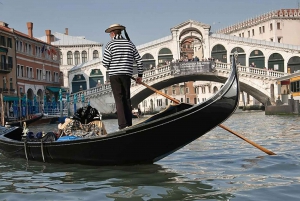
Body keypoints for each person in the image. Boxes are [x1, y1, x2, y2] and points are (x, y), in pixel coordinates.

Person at [102, 23, 143, 130]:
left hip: (115, 76)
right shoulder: (130, 44)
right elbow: (139, 60)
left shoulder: (110, 45)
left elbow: (105, 63)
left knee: (119, 99)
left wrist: (114, 64)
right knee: (127, 99)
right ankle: (129, 123)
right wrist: (140, 75)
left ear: (112, 33)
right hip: (126, 75)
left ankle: (122, 125)